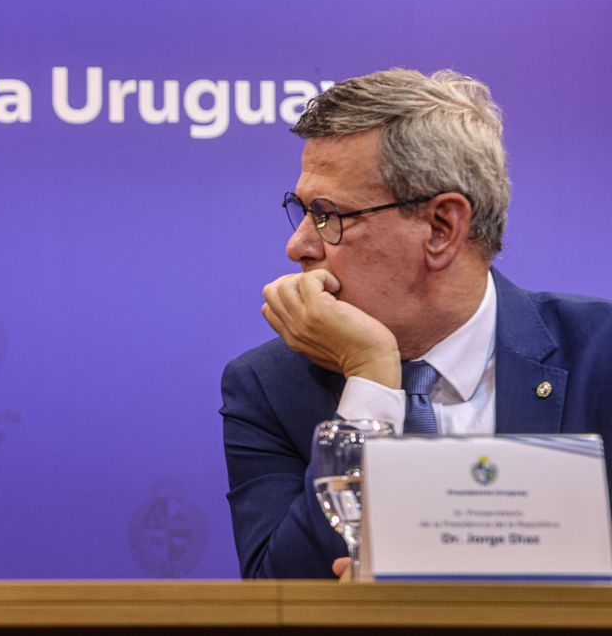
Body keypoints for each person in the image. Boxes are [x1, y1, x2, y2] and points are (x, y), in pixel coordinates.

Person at [220, 68, 612, 579]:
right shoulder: (268, 386)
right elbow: (279, 594)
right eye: (303, 211)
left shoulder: (600, 356)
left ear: (441, 228)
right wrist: (370, 379)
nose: (298, 246)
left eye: (329, 214)